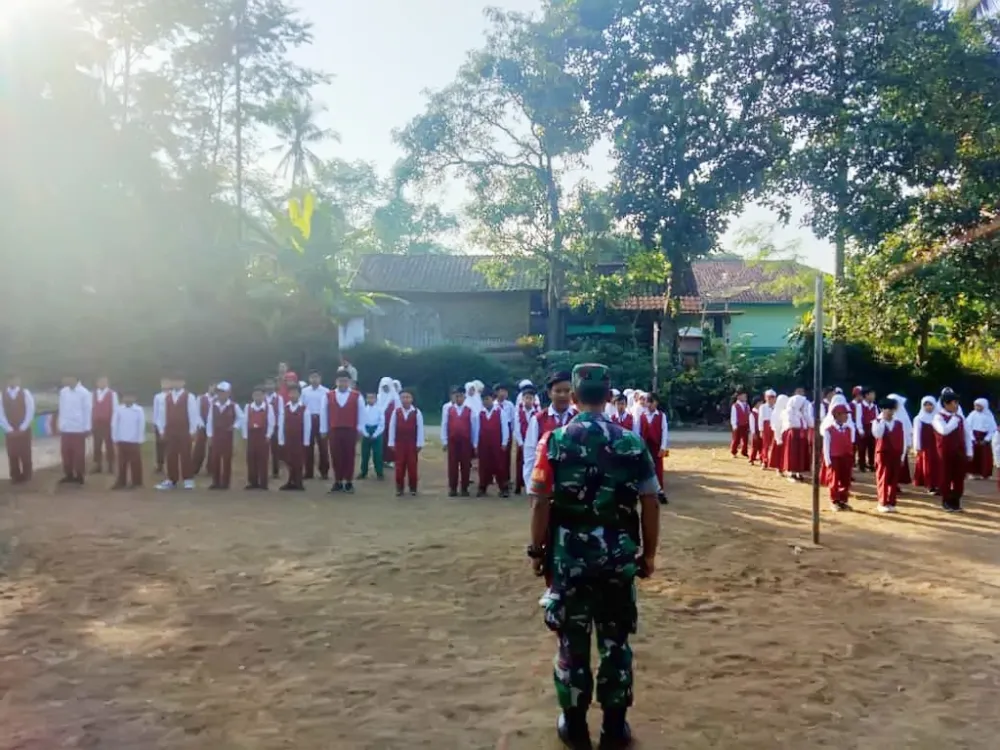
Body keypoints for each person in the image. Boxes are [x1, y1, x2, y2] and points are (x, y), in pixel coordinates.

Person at [527, 363, 660, 749]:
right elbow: (650, 502)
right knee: (615, 642)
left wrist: (537, 553)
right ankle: (614, 728)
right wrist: (648, 555)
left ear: (574, 394)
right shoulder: (631, 443)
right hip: (619, 561)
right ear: (607, 395)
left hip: (569, 563)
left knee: (572, 642)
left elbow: (539, 504)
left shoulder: (553, 441)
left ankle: (574, 725)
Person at [521, 372, 576, 491]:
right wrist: (531, 487)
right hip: (545, 484)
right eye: (558, 391)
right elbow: (530, 455)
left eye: (567, 391)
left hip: (573, 484)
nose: (563, 395)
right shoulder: (538, 419)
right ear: (550, 393)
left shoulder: (578, 419)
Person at [155, 376, 200, 491]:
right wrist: (161, 430)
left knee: (186, 454)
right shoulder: (167, 397)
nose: (176, 383)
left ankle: (188, 479)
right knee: (170, 455)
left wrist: (193, 430)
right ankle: (172, 479)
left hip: (184, 430)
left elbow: (193, 414)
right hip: (170, 430)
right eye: (174, 381)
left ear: (183, 382)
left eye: (179, 381)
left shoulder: (189, 396)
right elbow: (162, 414)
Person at [325, 367, 365, 493]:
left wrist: (360, 429)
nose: (343, 383)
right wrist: (323, 429)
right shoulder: (328, 395)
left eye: (345, 381)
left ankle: (348, 481)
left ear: (349, 382)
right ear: (336, 381)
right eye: (340, 381)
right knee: (336, 456)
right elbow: (324, 413)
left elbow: (362, 414)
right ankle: (337, 481)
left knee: (349, 455)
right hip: (334, 429)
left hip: (350, 429)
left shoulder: (356, 396)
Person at [933, 389, 972, 512]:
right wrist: (954, 419)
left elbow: (967, 435)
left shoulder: (960, 418)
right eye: (954, 402)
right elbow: (944, 431)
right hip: (945, 452)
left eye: (957, 402)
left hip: (959, 452)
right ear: (946, 403)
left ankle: (956, 501)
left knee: (958, 477)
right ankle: (946, 501)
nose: (956, 405)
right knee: (946, 476)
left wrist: (969, 451)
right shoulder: (938, 417)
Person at [473, 387, 510, 497]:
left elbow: (505, 428)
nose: (485, 402)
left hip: (497, 444)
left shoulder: (500, 412)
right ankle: (482, 487)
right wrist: (475, 444)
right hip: (484, 444)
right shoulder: (480, 414)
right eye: (483, 399)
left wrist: (504, 442)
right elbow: (476, 430)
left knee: (499, 465)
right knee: (484, 466)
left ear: (492, 399)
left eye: (487, 399)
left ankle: (503, 488)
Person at [206, 382, 242, 490]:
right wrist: (209, 435)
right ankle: (215, 482)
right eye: (219, 392)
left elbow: (242, 418)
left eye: (223, 392)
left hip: (228, 435)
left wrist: (234, 426)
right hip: (217, 434)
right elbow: (209, 421)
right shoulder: (213, 405)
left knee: (226, 459)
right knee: (215, 459)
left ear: (228, 393)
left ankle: (225, 483)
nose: (221, 395)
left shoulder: (233, 406)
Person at [871, 397, 905, 513]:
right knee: (883, 478)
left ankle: (891, 501)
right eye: (886, 409)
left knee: (893, 479)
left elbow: (902, 440)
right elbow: (878, 435)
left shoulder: (898, 423)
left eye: (891, 409)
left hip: (895, 454)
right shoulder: (877, 422)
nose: (889, 411)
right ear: (881, 409)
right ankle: (882, 502)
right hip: (883, 453)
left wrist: (902, 455)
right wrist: (882, 421)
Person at [388, 389, 424, 496]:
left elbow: (420, 429)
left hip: (412, 443)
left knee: (412, 466)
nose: (405, 400)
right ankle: (399, 488)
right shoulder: (396, 412)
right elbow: (392, 427)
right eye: (403, 397)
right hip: (399, 443)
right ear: (400, 399)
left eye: (408, 397)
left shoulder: (416, 412)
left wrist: (419, 443)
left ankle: (413, 488)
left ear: (412, 399)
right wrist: (391, 442)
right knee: (399, 466)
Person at [57, 376, 92, 485]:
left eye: (68, 378)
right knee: (66, 453)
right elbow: (61, 409)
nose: (65, 381)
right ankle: (69, 474)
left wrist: (87, 428)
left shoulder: (84, 393)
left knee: (78, 454)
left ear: (75, 379)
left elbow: (88, 410)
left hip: (78, 428)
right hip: (66, 427)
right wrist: (60, 424)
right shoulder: (63, 392)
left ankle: (80, 475)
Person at [1, 375, 35, 483]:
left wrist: (23, 426)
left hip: (24, 428)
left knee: (26, 452)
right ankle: (15, 476)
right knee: (12, 453)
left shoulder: (25, 393)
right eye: (11, 380)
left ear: (19, 381)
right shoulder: (2, 395)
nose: (13, 382)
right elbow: (0, 413)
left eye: (15, 380)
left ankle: (27, 474)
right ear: (7, 381)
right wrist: (8, 428)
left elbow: (31, 410)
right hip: (9, 429)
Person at [441, 386, 474, 497]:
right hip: (453, 441)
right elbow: (444, 425)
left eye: (460, 396)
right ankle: (453, 488)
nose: (458, 398)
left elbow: (474, 427)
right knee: (452, 465)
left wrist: (474, 443)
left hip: (465, 441)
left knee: (465, 465)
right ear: (453, 397)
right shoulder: (449, 409)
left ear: (464, 397)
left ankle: (464, 488)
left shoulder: (469, 410)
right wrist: (444, 441)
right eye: (456, 396)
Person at [821, 402, 854, 511]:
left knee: (845, 480)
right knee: (834, 480)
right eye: (845, 414)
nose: (847, 416)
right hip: (834, 458)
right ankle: (834, 501)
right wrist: (827, 461)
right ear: (837, 415)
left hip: (846, 457)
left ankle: (843, 500)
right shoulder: (828, 430)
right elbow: (826, 447)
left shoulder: (848, 429)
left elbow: (850, 443)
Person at [638, 393, 669, 504]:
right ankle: (645, 492)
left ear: (656, 402)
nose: (650, 404)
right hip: (645, 446)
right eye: (648, 402)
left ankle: (659, 492)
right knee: (645, 469)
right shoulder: (642, 416)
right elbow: (639, 432)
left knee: (658, 469)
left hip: (656, 446)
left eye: (652, 402)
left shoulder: (661, 415)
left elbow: (664, 432)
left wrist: (663, 447)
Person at [278, 383, 309, 491]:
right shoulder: (285, 408)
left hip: (299, 439)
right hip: (288, 438)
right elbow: (281, 424)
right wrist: (281, 439)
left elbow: (307, 426)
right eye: (291, 393)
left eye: (295, 393)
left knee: (298, 461)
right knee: (288, 460)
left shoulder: (304, 408)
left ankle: (298, 482)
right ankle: (290, 481)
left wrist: (306, 441)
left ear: (299, 394)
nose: (293, 395)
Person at [111, 390, 145, 489]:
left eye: (130, 397)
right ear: (122, 398)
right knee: (121, 462)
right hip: (121, 439)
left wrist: (139, 439)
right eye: (126, 397)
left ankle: (137, 482)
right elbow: (114, 424)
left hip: (134, 440)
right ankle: (121, 482)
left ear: (134, 398)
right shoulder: (118, 409)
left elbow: (141, 425)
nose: (128, 399)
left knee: (135, 462)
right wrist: (114, 438)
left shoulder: (139, 410)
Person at [244, 386, 276, 490]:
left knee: (263, 459)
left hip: (262, 435)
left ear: (263, 396)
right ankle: (253, 482)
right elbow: (245, 422)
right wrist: (245, 436)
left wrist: (268, 435)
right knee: (251, 459)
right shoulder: (248, 407)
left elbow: (272, 422)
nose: (258, 397)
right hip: (252, 435)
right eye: (255, 395)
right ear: (252, 396)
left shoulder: (268, 407)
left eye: (260, 395)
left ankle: (263, 483)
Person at [301, 371, 330, 480]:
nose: (314, 379)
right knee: (308, 446)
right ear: (309, 379)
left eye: (316, 377)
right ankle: (308, 472)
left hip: (321, 420)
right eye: (312, 377)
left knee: (323, 447)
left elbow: (328, 409)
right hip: (308, 419)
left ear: (320, 379)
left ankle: (324, 471)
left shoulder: (326, 391)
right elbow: (301, 406)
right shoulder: (304, 391)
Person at [512, 385, 539, 496]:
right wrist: (521, 443)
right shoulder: (518, 411)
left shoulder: (537, 411)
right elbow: (516, 428)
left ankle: (532, 485)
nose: (528, 400)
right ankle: (518, 485)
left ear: (534, 400)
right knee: (520, 464)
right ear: (522, 399)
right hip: (522, 442)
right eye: (526, 398)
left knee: (533, 464)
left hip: (533, 443)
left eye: (530, 398)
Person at [912, 396, 940, 494]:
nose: (928, 407)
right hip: (926, 446)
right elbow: (916, 433)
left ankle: (938, 485)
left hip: (937, 446)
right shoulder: (919, 418)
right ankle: (930, 485)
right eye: (926, 405)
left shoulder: (938, 417)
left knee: (938, 465)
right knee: (927, 465)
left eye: (930, 405)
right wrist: (917, 447)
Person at [90, 376, 118, 474]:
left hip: (108, 423)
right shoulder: (93, 394)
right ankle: (98, 465)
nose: (101, 383)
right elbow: (91, 408)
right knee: (96, 445)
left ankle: (111, 465)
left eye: (104, 382)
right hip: (96, 423)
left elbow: (115, 410)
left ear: (107, 383)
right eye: (100, 382)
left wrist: (114, 424)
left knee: (109, 445)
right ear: (97, 383)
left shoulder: (112, 394)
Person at [966, 398, 996, 480]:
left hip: (984, 439)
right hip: (974, 437)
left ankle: (985, 473)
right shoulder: (972, 415)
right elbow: (968, 427)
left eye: (979, 406)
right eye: (975, 406)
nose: (977, 407)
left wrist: (986, 439)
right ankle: (973, 473)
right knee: (973, 455)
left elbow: (992, 430)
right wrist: (972, 438)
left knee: (985, 456)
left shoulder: (989, 416)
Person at [887, 393, 913, 487]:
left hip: (901, 444)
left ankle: (896, 484)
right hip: (888, 445)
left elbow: (908, 430)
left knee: (899, 464)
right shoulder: (885, 415)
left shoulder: (903, 414)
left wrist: (909, 443)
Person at [781, 394, 810, 482]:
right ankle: (792, 473)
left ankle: (799, 471)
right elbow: (790, 423)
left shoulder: (801, 413)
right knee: (793, 453)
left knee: (800, 454)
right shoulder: (790, 411)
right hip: (794, 434)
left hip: (801, 435)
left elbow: (808, 423)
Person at [358, 391, 386, 480]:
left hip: (376, 431)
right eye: (368, 398)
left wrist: (375, 434)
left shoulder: (380, 409)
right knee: (364, 454)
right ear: (366, 399)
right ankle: (363, 472)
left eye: (372, 398)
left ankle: (379, 473)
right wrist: (365, 433)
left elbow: (382, 423)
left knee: (377, 454)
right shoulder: (363, 410)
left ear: (376, 399)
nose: (370, 400)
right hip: (366, 431)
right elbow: (360, 422)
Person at [495, 383, 516, 493]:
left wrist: (511, 431)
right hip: (495, 430)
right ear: (496, 393)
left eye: (505, 391)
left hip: (507, 429)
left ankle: (506, 478)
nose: (503, 394)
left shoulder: (510, 405)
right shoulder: (493, 404)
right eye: (501, 391)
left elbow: (513, 419)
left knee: (506, 456)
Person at [192, 384, 216, 476]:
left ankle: (211, 468)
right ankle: (195, 467)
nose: (213, 389)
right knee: (199, 447)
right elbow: (196, 412)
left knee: (213, 448)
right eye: (212, 386)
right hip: (202, 425)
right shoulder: (201, 398)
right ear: (209, 387)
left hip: (213, 426)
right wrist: (201, 423)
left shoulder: (218, 399)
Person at [377, 376, 401, 469]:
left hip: (391, 425)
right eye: (383, 386)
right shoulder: (379, 397)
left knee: (391, 442)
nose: (385, 388)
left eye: (387, 386)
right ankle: (380, 460)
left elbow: (398, 411)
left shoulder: (395, 398)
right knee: (380, 443)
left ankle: (391, 460)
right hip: (380, 425)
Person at [264, 378, 284, 479]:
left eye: (271, 384)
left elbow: (281, 413)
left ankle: (275, 471)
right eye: (267, 384)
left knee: (275, 450)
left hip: (275, 427)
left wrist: (280, 426)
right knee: (263, 450)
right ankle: (262, 470)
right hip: (263, 427)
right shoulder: (261, 398)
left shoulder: (279, 398)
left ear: (274, 385)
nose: (269, 386)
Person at [855, 387, 878, 472]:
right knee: (862, 448)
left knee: (872, 447)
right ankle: (862, 464)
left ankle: (871, 464)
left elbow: (877, 418)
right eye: (872, 394)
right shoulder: (860, 406)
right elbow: (858, 418)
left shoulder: (874, 407)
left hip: (872, 428)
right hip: (864, 428)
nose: (874, 396)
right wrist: (860, 429)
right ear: (867, 395)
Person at [151, 378, 170, 474]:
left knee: (170, 446)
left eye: (167, 382)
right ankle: (160, 464)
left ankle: (170, 465)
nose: (165, 385)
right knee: (159, 445)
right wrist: (154, 423)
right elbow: (155, 410)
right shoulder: (158, 396)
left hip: (170, 424)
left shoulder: (173, 396)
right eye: (163, 383)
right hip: (159, 424)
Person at [730, 388, 751, 459]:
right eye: (743, 396)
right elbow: (733, 416)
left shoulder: (747, 405)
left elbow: (748, 414)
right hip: (738, 425)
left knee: (745, 439)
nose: (745, 397)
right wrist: (734, 426)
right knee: (736, 440)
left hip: (745, 424)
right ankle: (733, 451)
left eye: (746, 396)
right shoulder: (735, 406)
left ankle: (744, 452)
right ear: (739, 397)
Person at [758, 390, 776, 469]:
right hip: (766, 426)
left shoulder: (777, 406)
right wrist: (761, 430)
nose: (771, 399)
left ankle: (774, 462)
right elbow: (760, 419)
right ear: (765, 398)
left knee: (774, 444)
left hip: (775, 426)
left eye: (772, 397)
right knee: (765, 445)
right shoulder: (763, 407)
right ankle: (764, 461)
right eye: (769, 397)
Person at [749, 396, 764, 466]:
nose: (761, 404)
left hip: (761, 431)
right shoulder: (752, 413)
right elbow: (751, 424)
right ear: (756, 404)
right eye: (760, 403)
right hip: (755, 432)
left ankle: (762, 459)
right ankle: (751, 459)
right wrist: (753, 433)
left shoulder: (761, 412)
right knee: (754, 446)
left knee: (761, 446)